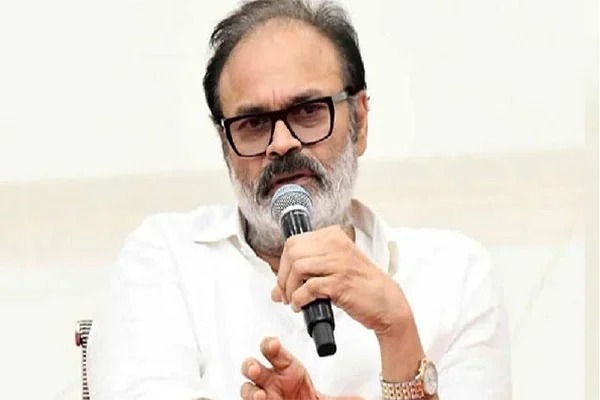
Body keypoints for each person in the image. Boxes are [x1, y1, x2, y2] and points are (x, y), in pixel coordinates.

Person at [87, 1, 511, 399]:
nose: (282, 143)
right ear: (224, 144)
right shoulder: (164, 260)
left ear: (360, 121)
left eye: (307, 112)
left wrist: (397, 330)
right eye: (253, 123)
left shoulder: (456, 276)